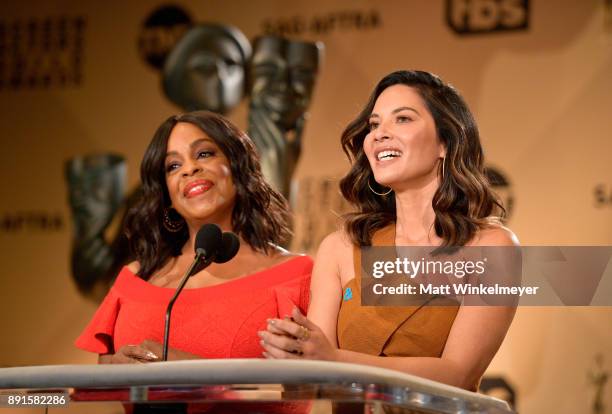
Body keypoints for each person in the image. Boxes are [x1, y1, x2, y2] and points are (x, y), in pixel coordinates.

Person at [260, 70, 518, 392]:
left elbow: (458, 374)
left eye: (403, 119)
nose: (380, 134)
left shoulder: (492, 247)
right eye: (374, 124)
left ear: (445, 142)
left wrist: (334, 360)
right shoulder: (340, 247)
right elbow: (316, 371)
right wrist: (295, 352)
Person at [75, 110, 312, 363]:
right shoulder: (136, 278)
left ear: (236, 165)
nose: (190, 169)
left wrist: (182, 369)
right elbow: (103, 367)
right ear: (167, 195)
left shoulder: (295, 275)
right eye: (173, 166)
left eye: (204, 153)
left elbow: (307, 386)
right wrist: (115, 366)